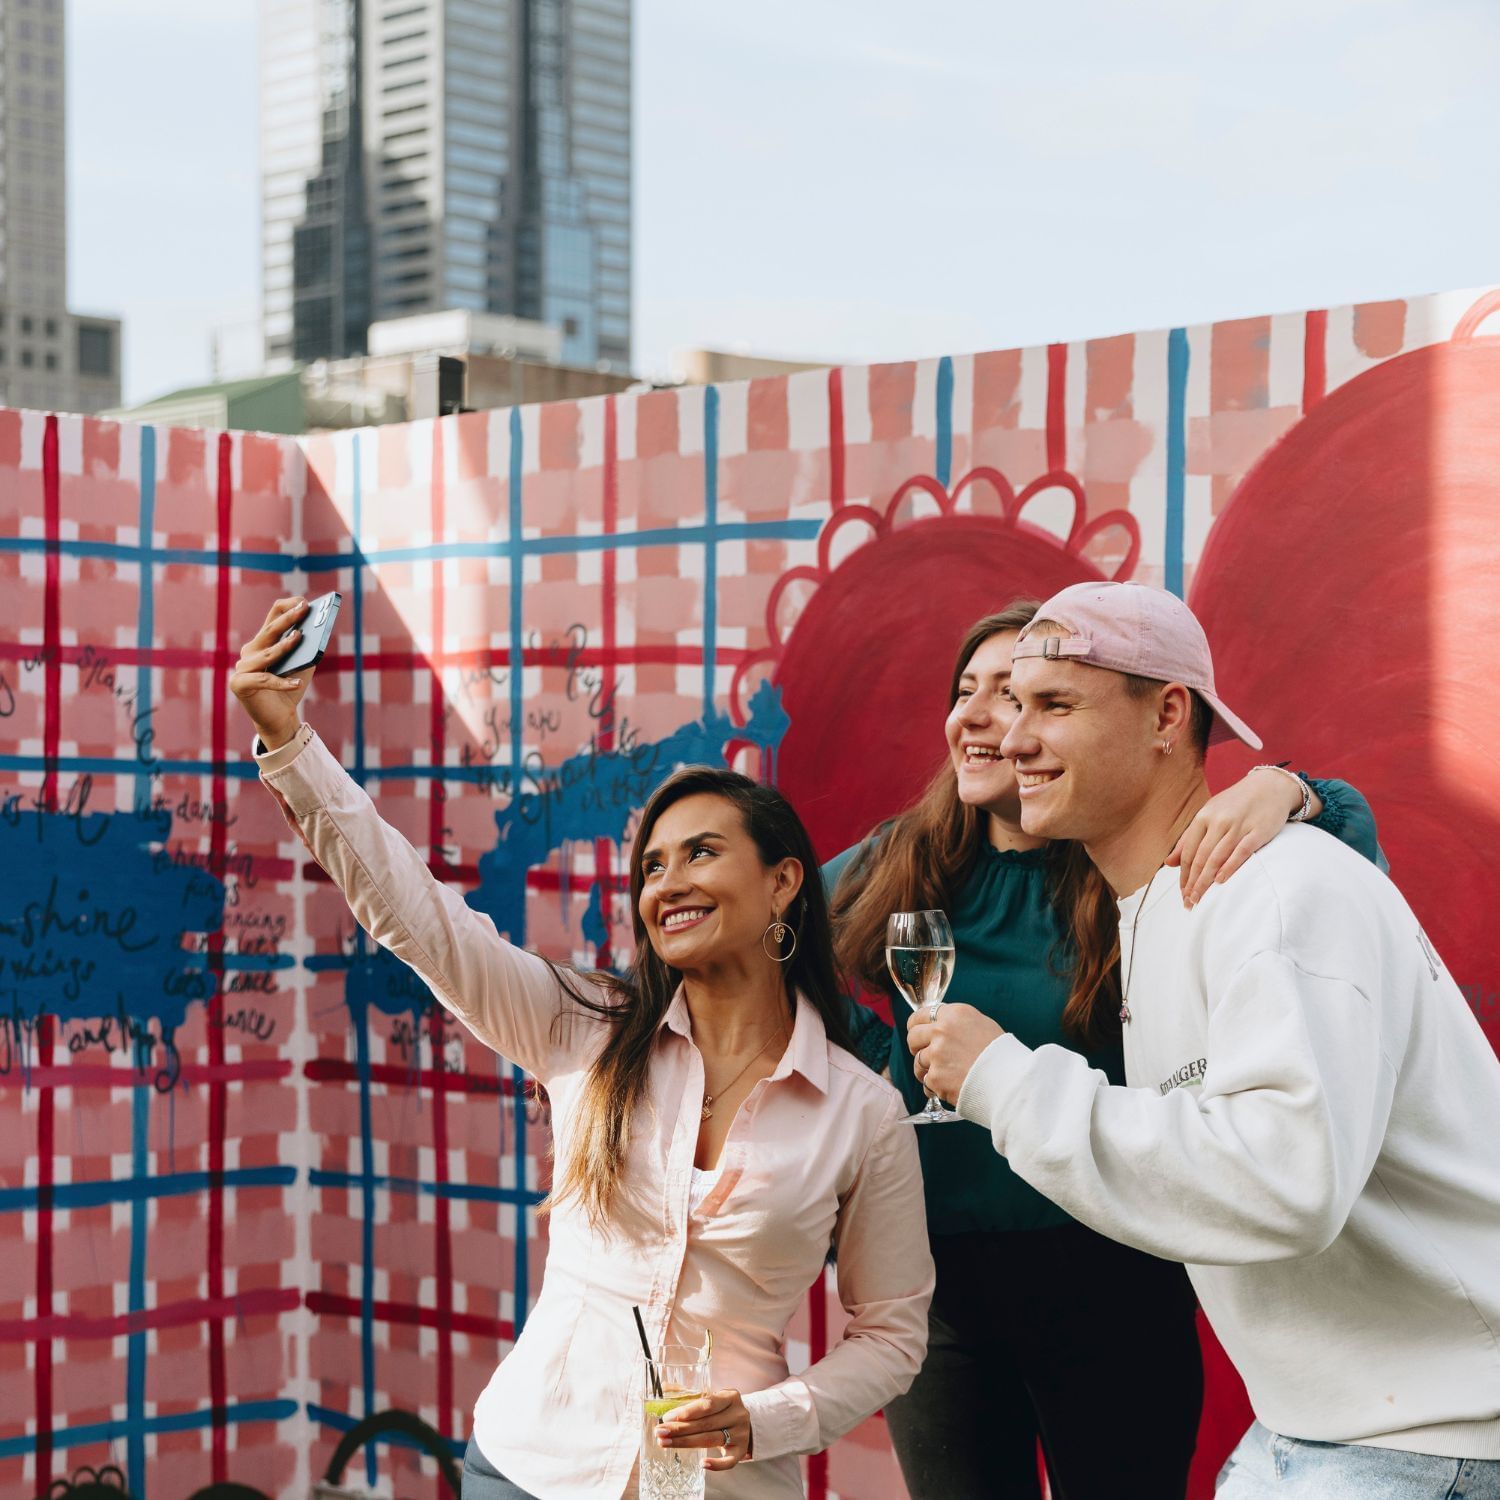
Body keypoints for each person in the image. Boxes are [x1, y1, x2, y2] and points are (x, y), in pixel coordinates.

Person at [230, 596, 934, 1500]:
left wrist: (768, 1417)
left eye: (701, 853)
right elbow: (421, 918)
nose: (667, 883)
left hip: (723, 1486)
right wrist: (289, 743)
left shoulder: (863, 1110)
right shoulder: (587, 1028)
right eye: (652, 866)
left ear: (784, 882)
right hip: (531, 1470)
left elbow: (892, 1335)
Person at [910, 580, 1500, 1499]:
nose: (1014, 737)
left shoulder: (1275, 890)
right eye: (1014, 705)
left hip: (1430, 1438)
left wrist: (1003, 1082)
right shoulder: (1158, 907)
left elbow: (1285, 1176)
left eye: (1055, 705)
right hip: (1317, 1429)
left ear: (1168, 715)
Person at [825, 599, 1382, 1500]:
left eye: (1021, 698)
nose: (982, 719)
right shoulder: (907, 856)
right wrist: (882, 1064)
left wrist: (1289, 789)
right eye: (966, 691)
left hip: (1111, 1275)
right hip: (937, 1283)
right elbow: (769, 941)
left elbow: (1340, 863)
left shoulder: (1124, 860)